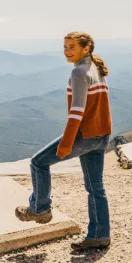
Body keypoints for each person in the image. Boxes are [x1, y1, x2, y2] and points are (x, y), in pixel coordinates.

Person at [15, 32, 113, 251]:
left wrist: (67, 142)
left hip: (84, 135)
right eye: (65, 47)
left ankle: (40, 209)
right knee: (95, 187)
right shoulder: (96, 68)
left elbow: (77, 112)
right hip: (101, 135)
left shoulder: (79, 71)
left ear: (86, 49)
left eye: (72, 47)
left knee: (38, 162)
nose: (67, 51)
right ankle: (99, 235)